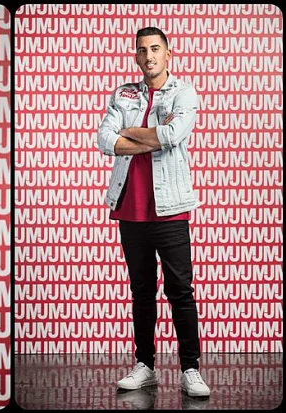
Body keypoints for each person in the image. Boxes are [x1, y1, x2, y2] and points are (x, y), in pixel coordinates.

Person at [97, 27, 210, 397]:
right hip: (129, 208)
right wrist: (154, 135)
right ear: (136, 56)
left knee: (180, 291)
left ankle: (190, 369)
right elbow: (105, 140)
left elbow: (174, 135)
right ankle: (144, 365)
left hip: (170, 209)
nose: (149, 56)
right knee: (142, 291)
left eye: (156, 49)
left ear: (168, 53)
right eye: (143, 50)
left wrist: (131, 133)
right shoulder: (123, 94)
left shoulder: (184, 92)